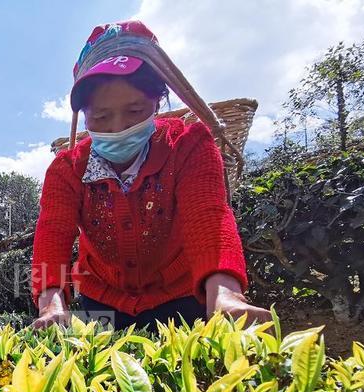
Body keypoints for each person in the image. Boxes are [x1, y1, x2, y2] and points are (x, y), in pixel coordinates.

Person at [31, 21, 271, 331]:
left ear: (157, 104)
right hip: (101, 298)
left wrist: (226, 297)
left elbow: (209, 219)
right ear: (84, 116)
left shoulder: (188, 145)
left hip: (181, 294)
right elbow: (52, 236)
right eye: (102, 116)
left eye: (134, 111)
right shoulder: (67, 170)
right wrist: (51, 304)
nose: (118, 127)